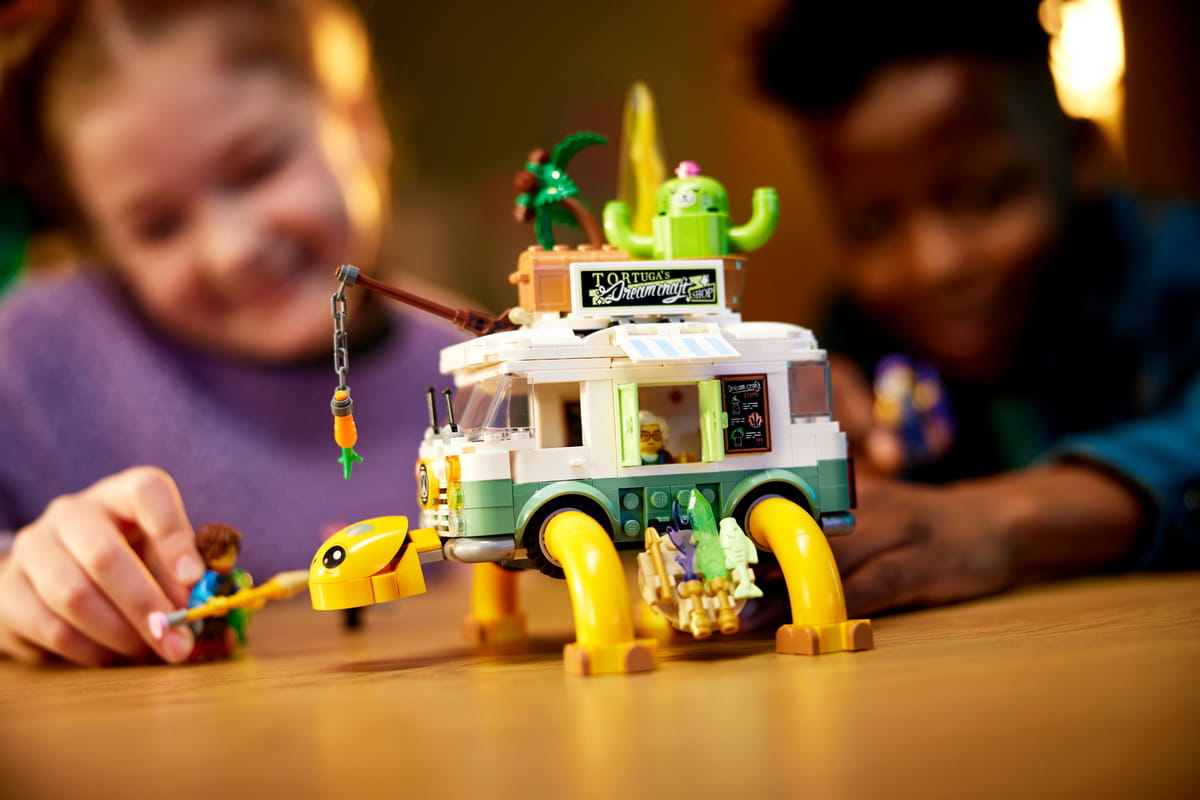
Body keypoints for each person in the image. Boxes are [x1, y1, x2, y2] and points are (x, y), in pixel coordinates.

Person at [0, 0, 463, 666]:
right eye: (159, 226)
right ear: (102, 245)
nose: (231, 249)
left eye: (258, 168)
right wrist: (14, 583)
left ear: (359, 125)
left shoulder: (486, 374)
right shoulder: (30, 358)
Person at [755, 0, 1200, 616]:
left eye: (986, 197)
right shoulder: (850, 335)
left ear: (1083, 154)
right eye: (871, 225)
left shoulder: (1178, 269)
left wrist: (989, 522)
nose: (935, 265)